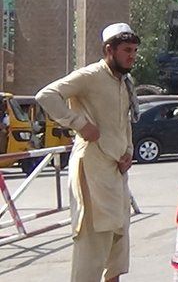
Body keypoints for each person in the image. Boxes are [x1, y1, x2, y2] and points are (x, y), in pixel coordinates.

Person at [35, 23, 140, 282]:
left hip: (116, 172)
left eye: (134, 51)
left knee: (118, 246)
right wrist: (79, 124)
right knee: (92, 247)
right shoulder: (89, 75)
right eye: (127, 50)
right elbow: (46, 95)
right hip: (91, 167)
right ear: (109, 50)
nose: (132, 56)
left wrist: (128, 151)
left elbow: (124, 121)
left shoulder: (125, 82)